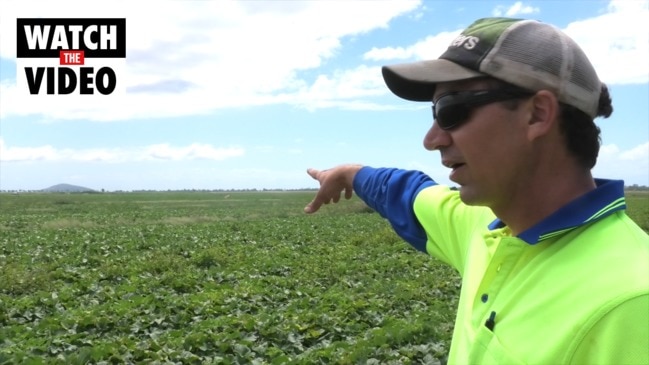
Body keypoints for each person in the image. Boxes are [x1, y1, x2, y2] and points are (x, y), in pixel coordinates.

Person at [303, 17, 649, 364]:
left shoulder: (632, 303)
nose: (431, 139)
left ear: (537, 115)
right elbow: (404, 193)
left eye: (451, 110)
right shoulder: (486, 226)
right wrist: (350, 174)